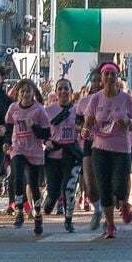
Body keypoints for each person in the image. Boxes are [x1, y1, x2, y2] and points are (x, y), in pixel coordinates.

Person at [84, 62, 132, 239]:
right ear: (101, 79)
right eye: (106, 74)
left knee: (119, 186)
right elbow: (88, 123)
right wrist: (87, 127)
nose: (109, 77)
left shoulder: (126, 98)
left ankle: (124, 203)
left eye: (112, 74)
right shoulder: (95, 99)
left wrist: (128, 122)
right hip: (100, 148)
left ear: (117, 78)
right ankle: (110, 225)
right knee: (104, 188)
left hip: (121, 149)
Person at [5, 79, 51, 235]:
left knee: (33, 185)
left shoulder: (39, 110)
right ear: (18, 93)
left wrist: (34, 126)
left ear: (33, 93)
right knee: (17, 177)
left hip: (34, 151)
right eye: (22, 91)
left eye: (28, 91)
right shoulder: (13, 108)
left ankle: (37, 215)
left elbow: (46, 133)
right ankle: (19, 210)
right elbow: (8, 127)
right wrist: (6, 142)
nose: (25, 94)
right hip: (18, 148)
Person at [42, 80, 82, 232]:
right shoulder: (48, 111)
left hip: (71, 154)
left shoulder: (77, 110)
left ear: (71, 91)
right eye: (60, 89)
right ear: (56, 92)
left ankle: (68, 219)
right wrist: (46, 141)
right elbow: (41, 131)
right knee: (53, 193)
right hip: (53, 156)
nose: (63, 91)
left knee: (69, 188)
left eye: (66, 88)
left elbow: (86, 127)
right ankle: (49, 202)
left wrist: (82, 129)